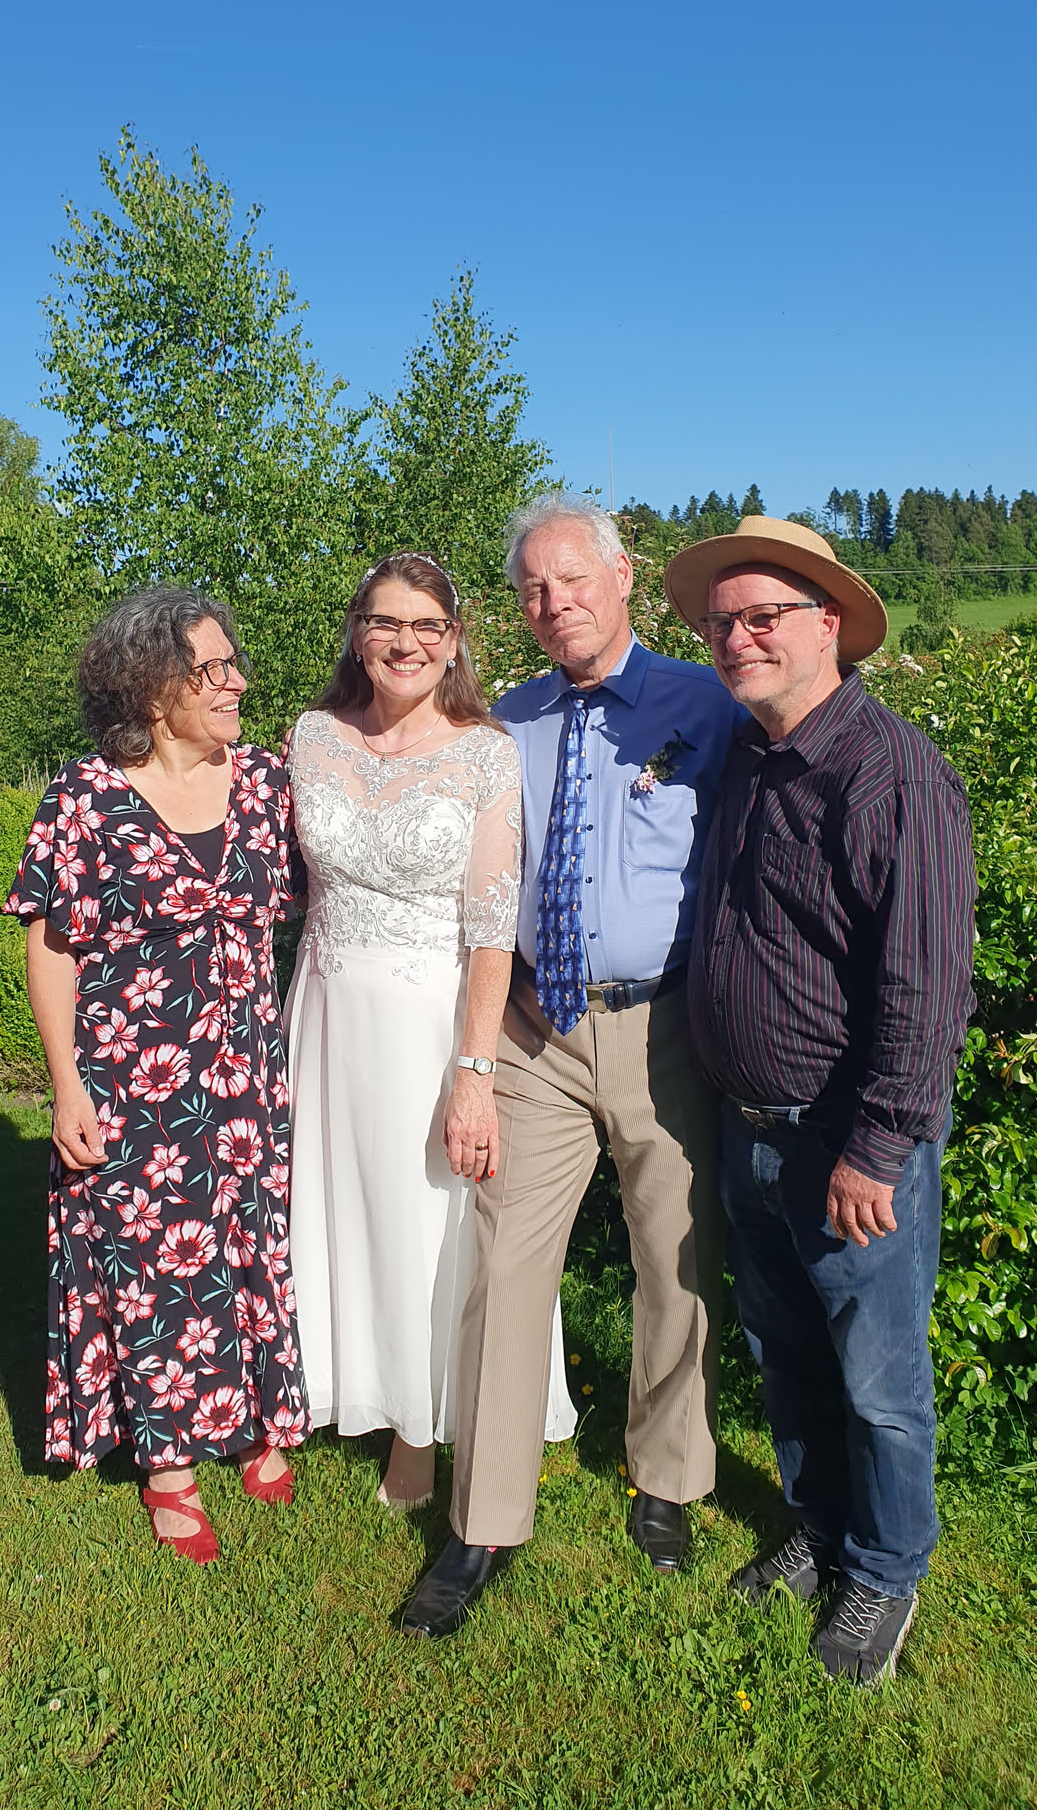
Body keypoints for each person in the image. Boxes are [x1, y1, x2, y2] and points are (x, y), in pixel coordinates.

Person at [400, 493, 739, 1639]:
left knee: (674, 1262)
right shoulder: (508, 722)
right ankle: (483, 1521)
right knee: (504, 1268)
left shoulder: (704, 706)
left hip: (663, 1029)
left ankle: (668, 1479)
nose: (554, 603)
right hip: (537, 1034)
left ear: (623, 575)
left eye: (573, 579)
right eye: (534, 589)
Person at [667, 515, 976, 1686]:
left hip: (845, 1143)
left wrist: (877, 1148)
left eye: (764, 617)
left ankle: (885, 1572)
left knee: (880, 1383)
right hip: (750, 1128)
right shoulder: (751, 754)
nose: (737, 638)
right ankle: (822, 1525)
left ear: (828, 624)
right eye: (721, 622)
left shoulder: (891, 774)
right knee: (790, 1355)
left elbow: (925, 984)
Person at [5, 588, 307, 1564]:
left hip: (248, 1072)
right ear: (149, 688)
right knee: (153, 1268)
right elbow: (51, 946)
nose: (236, 683)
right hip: (134, 1077)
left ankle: (254, 1416)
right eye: (210, 669)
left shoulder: (266, 783)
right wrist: (66, 1085)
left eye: (232, 663)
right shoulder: (86, 795)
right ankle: (169, 1465)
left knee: (246, 1243)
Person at [285, 553, 576, 1512]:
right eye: (384, 622)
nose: (404, 643)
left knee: (425, 1220)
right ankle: (339, 1385)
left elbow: (492, 926)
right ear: (356, 633)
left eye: (426, 626)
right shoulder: (309, 738)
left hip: (430, 1025)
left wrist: (475, 1071)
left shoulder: (485, 753)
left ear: (454, 642)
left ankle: (419, 1426)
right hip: (326, 1015)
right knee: (337, 1209)